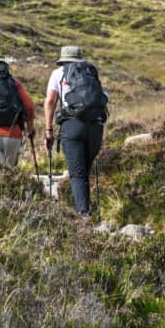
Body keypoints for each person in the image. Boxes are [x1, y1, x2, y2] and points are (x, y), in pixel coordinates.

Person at [43, 45, 108, 217]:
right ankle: (87, 210)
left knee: (77, 174)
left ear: (62, 60)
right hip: (95, 126)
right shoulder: (90, 72)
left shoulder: (58, 73)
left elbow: (50, 101)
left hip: (72, 125)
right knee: (85, 170)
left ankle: (83, 214)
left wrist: (48, 130)